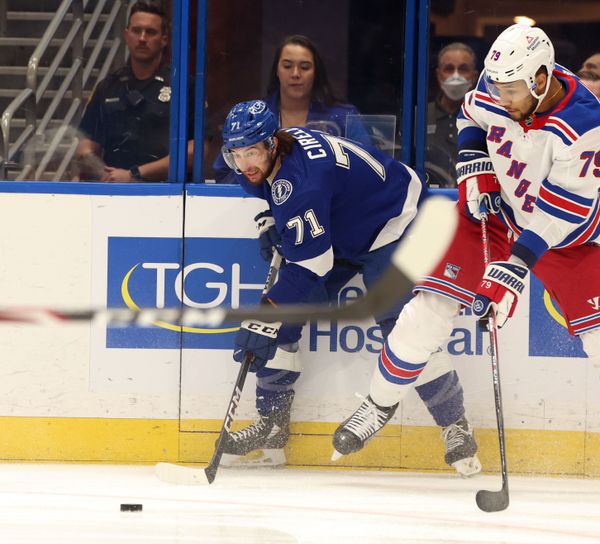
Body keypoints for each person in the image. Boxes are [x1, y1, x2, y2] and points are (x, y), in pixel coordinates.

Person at [333, 24, 600, 493]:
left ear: (540, 80)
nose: (501, 97)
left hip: (560, 235)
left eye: (511, 90)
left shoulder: (585, 121)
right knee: (424, 315)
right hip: (492, 218)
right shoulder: (501, 80)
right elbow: (470, 118)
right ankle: (378, 403)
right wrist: (474, 166)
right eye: (496, 87)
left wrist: (513, 269)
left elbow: (561, 209)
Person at [217, 99, 481, 476]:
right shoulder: (276, 155)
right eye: (236, 154)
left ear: (272, 143)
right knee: (287, 315)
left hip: (396, 223)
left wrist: (265, 317)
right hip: (346, 225)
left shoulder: (302, 183)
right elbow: (277, 192)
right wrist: (269, 217)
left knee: (405, 330)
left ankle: (456, 427)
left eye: (252, 153)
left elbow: (314, 263)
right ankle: (273, 427)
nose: (244, 165)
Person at [76, 1, 207, 182]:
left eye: (151, 32)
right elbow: (85, 147)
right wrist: (104, 174)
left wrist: (133, 175)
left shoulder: (184, 86)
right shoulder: (107, 87)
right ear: (126, 35)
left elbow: (197, 151)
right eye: (137, 31)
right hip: (112, 193)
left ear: (164, 39)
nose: (142, 38)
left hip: (168, 195)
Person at [213, 35, 371, 184]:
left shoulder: (343, 117)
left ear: (316, 72)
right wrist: (263, 184)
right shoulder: (251, 117)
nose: (295, 74)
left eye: (305, 67)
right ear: (277, 70)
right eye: (287, 66)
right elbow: (223, 174)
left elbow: (366, 169)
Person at [424, 42, 478, 187]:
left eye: (463, 69)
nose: (456, 75)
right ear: (438, 74)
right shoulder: (419, 117)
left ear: (474, 76)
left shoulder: (483, 119)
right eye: (449, 69)